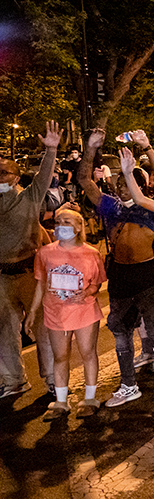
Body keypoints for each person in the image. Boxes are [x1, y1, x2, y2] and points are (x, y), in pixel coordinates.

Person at [79, 129, 154, 408]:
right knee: (120, 332)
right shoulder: (110, 207)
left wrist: (147, 147)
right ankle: (128, 384)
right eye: (119, 181)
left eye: (128, 180)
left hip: (147, 275)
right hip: (120, 276)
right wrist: (91, 148)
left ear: (141, 185)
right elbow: (84, 180)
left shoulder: (152, 207)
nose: (122, 186)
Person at [28, 207, 105, 418]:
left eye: (67, 221)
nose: (61, 225)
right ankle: (61, 402)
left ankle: (90, 398)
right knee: (60, 356)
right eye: (58, 221)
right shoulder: (45, 253)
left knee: (88, 353)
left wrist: (87, 292)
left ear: (79, 227)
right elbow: (41, 283)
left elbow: (97, 284)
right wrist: (33, 312)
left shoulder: (92, 253)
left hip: (84, 311)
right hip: (55, 313)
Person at [0, 120, 58, 398]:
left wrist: (51, 150)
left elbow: (44, 176)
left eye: (3, 172)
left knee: (42, 329)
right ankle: (14, 380)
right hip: (2, 276)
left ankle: (51, 381)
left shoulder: (30, 198)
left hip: (29, 274)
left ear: (15, 176)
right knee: (4, 331)